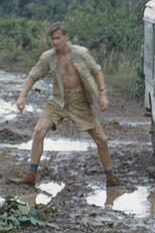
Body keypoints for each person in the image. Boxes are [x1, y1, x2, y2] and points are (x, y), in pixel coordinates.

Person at [13, 22, 125, 187]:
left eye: (58, 38)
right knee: (39, 131)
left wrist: (103, 94)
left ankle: (110, 177)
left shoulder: (81, 53)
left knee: (101, 139)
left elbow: (96, 71)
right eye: (53, 39)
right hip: (58, 101)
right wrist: (22, 96)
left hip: (80, 101)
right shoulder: (48, 57)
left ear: (66, 37)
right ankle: (31, 174)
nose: (55, 42)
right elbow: (33, 76)